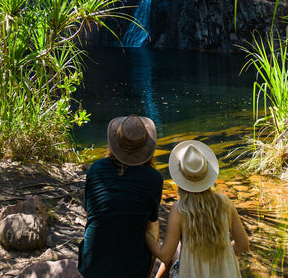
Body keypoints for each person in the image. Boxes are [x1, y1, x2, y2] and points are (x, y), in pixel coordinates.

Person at [145, 140, 249, 278]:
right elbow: (242, 245)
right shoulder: (225, 202)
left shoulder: (179, 209)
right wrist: (221, 258)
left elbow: (165, 255)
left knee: (174, 250)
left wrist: (146, 234)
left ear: (181, 178)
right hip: (226, 274)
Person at [78, 114, 164, 278]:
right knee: (154, 225)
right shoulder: (154, 178)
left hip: (91, 266)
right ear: (146, 147)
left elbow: (90, 215)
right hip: (132, 270)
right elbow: (149, 221)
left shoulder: (96, 169)